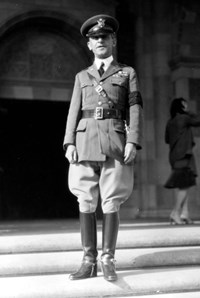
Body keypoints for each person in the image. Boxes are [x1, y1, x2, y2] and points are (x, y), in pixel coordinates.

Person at [63, 14, 143, 281]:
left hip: (115, 141)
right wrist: (69, 142)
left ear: (113, 40)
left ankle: (108, 259)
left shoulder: (127, 73)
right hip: (84, 142)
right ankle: (89, 260)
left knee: (111, 200)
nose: (100, 40)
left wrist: (133, 141)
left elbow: (135, 108)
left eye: (104, 37)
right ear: (89, 44)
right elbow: (73, 111)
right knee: (85, 199)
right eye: (95, 38)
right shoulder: (81, 76)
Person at [164, 97, 200, 225]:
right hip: (184, 155)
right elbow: (198, 121)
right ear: (180, 106)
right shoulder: (184, 118)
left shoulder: (170, 122)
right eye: (185, 104)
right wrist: (188, 112)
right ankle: (175, 213)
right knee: (185, 185)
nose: (187, 106)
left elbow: (167, 139)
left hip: (174, 156)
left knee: (183, 184)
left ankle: (184, 214)